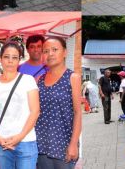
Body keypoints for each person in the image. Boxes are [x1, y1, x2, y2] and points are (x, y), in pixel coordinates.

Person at [0, 42, 40, 169]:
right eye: (6, 57)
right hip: (2, 141)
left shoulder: (28, 80)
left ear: (19, 60)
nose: (10, 61)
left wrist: (19, 137)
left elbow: (35, 111)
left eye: (14, 57)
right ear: (0, 58)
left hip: (26, 141)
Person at [36, 37, 82, 168]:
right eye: (46, 51)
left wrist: (73, 144)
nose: (50, 54)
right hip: (41, 143)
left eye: (54, 50)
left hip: (64, 143)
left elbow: (78, 113)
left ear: (65, 52)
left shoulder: (73, 78)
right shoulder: (39, 79)